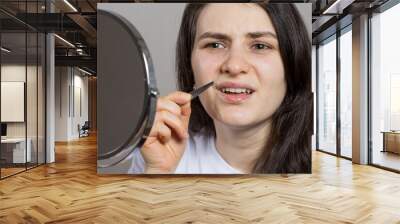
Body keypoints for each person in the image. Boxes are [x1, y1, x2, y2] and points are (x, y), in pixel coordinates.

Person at [129, 2, 312, 174]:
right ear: (190, 66)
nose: (233, 66)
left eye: (260, 46)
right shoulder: (155, 153)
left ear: (292, 66)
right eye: (215, 45)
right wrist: (159, 172)